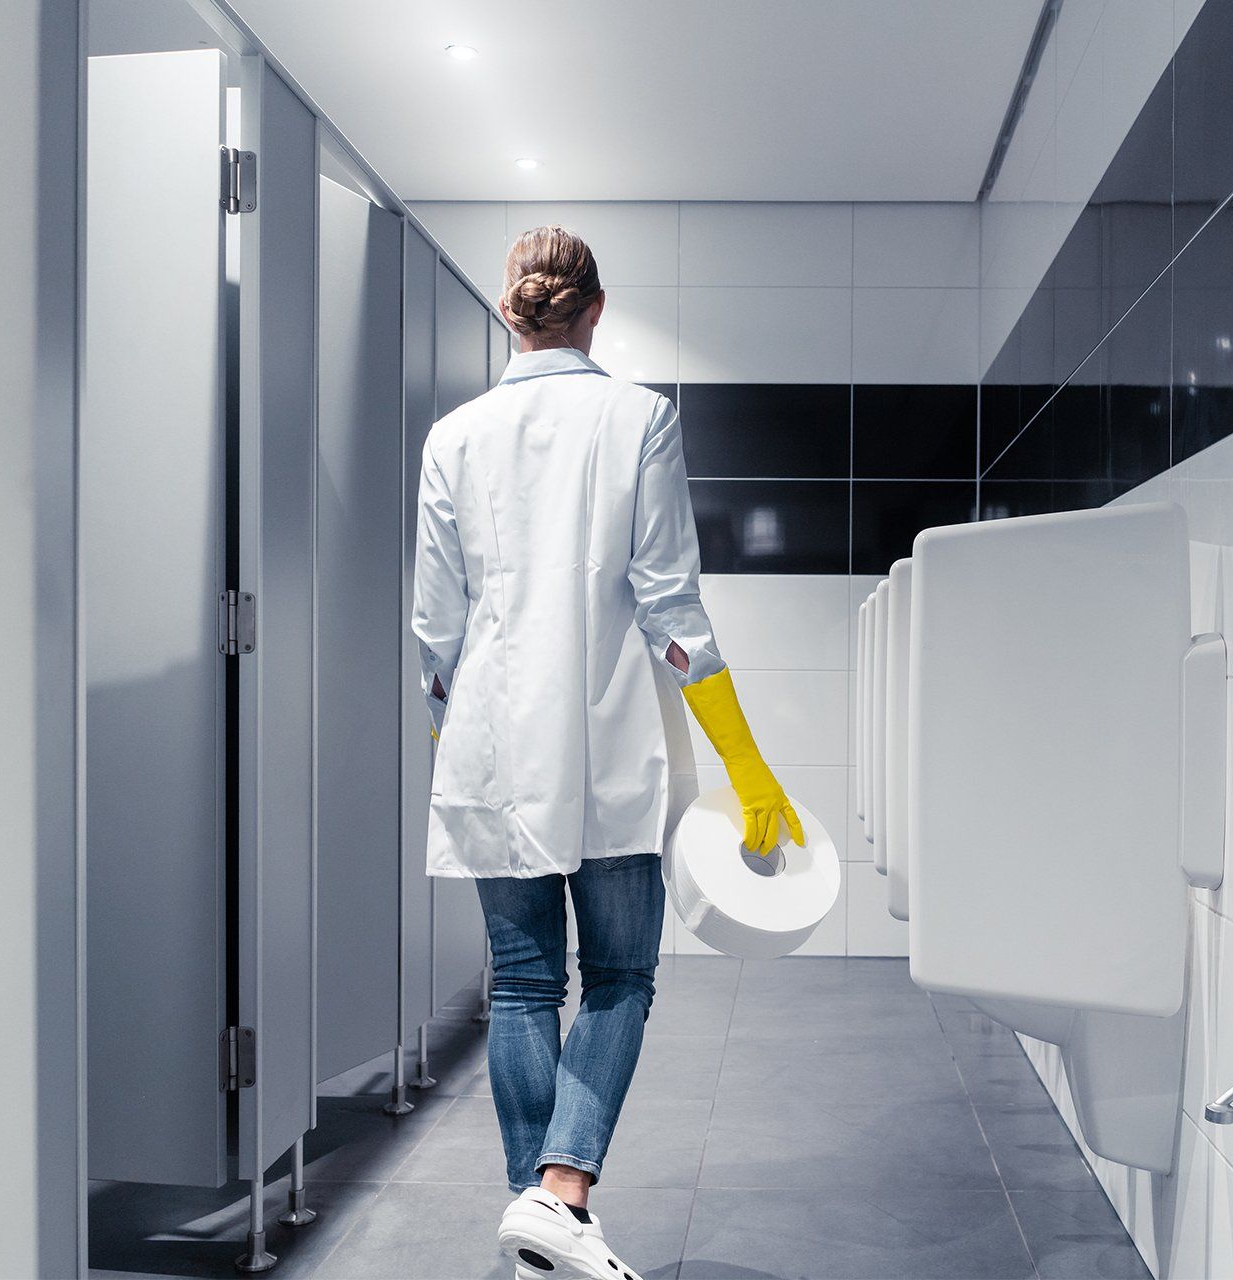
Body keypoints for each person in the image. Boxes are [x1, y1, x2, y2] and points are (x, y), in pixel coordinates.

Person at [411, 225, 804, 1280]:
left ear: (513, 312)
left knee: (522, 984)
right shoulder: (640, 417)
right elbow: (671, 606)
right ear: (595, 310)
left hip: (491, 745)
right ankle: (562, 1194)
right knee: (620, 975)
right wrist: (746, 762)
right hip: (606, 743)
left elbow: (434, 631)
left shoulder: (452, 437)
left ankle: (538, 1222)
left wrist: (456, 736)